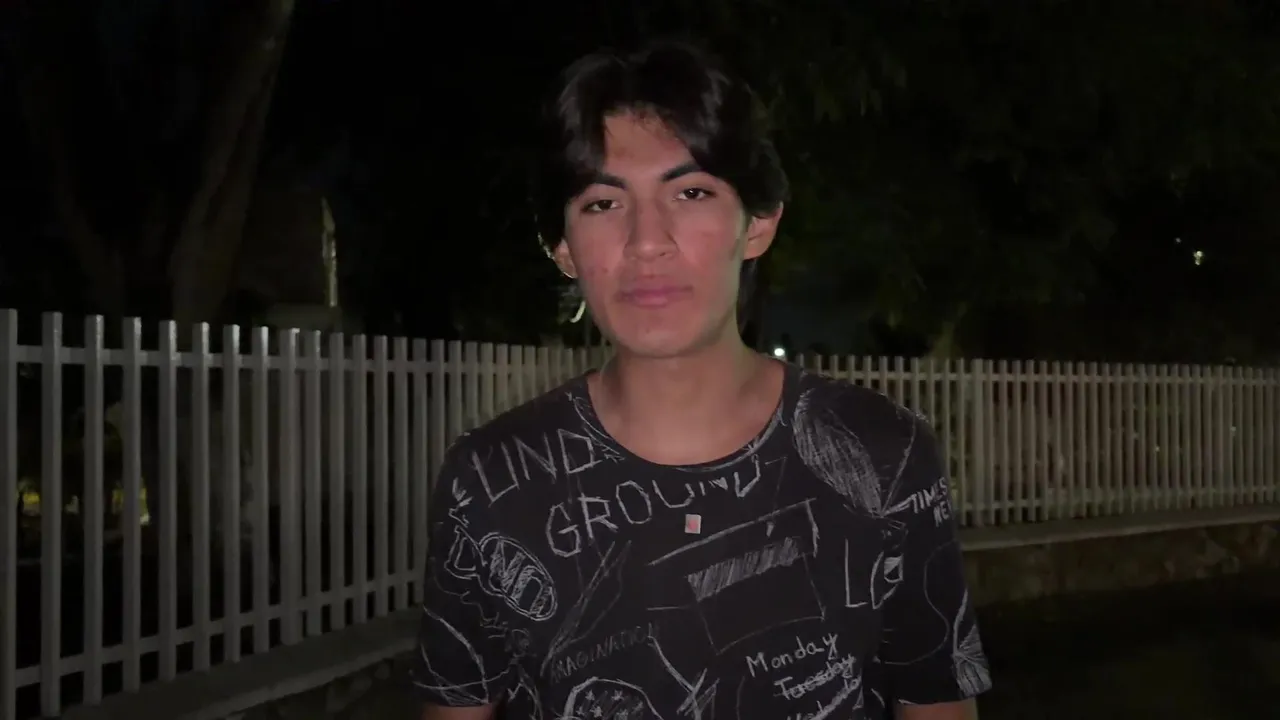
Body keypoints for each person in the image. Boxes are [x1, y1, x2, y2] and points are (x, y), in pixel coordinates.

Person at [411, 40, 991, 720]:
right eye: (602, 203)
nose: (646, 241)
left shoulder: (880, 454)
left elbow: (936, 703)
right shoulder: (490, 484)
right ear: (561, 246)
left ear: (759, 223)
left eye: (691, 193)